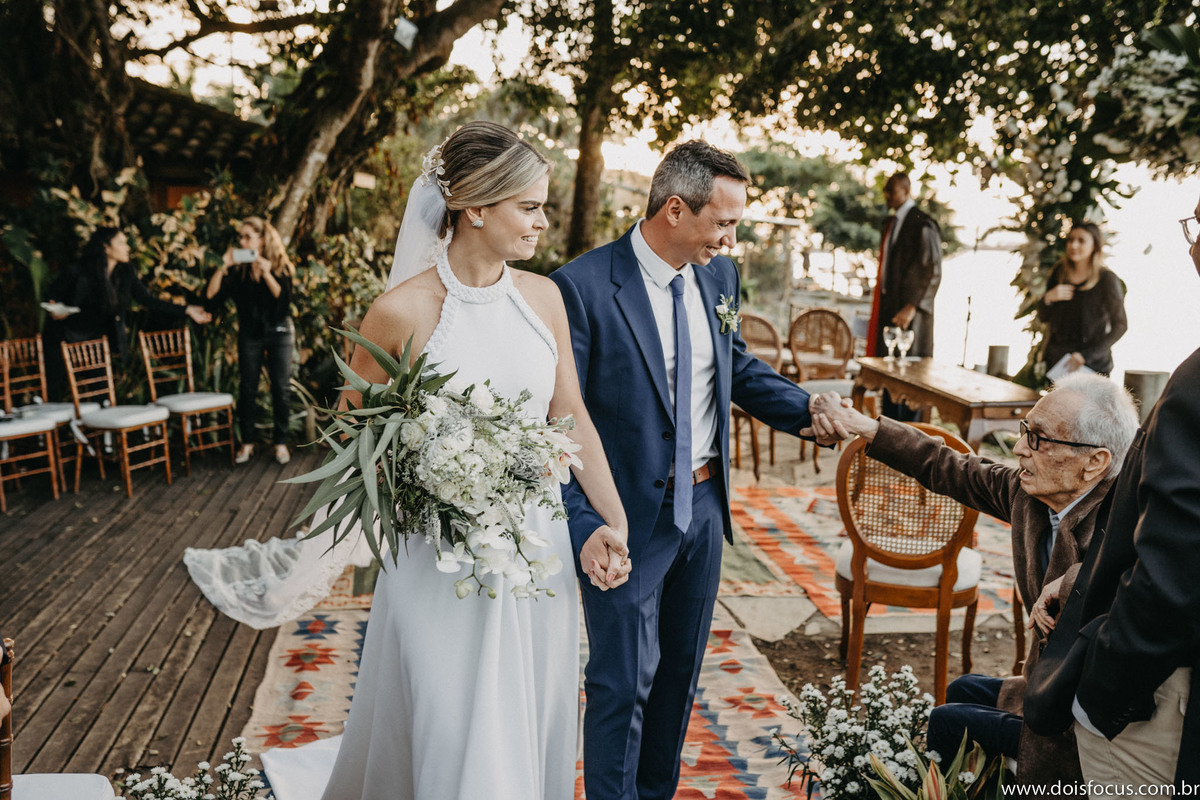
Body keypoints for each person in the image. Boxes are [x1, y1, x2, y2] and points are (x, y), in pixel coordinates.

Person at [257, 121, 632, 800]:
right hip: (438, 555)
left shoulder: (544, 298)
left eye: (543, 206)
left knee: (526, 712)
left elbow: (567, 416)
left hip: (535, 550)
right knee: (449, 720)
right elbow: (351, 439)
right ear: (475, 207)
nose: (543, 222)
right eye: (529, 206)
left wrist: (610, 520)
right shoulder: (402, 311)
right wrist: (434, 486)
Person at [550, 140, 828, 800]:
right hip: (625, 519)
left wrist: (808, 410)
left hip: (704, 512)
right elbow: (556, 428)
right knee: (622, 682)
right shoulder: (580, 289)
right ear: (674, 208)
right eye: (723, 223)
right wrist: (585, 523)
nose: (731, 240)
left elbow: (737, 370)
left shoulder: (718, 279)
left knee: (678, 676)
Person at [808, 373, 1138, 788]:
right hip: (1045, 688)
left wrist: (1072, 580)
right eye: (1025, 431)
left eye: (1039, 439)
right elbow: (951, 467)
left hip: (1086, 724)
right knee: (962, 687)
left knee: (946, 721)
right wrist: (868, 428)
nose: (1019, 449)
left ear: (1096, 462)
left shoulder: (1126, 524)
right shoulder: (1029, 496)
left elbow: (1137, 576)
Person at [1024, 193, 1200, 793]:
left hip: (1153, 696)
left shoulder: (1195, 383)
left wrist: (1100, 693)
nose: (1192, 241)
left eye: (1197, 221)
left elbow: (1174, 572)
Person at [43, 227, 211, 399]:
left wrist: (187, 310)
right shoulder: (78, 271)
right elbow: (52, 297)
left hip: (96, 343)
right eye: (121, 243)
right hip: (66, 337)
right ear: (105, 247)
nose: (127, 247)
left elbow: (148, 300)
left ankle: (100, 426)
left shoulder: (126, 272)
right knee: (54, 392)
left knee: (102, 395)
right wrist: (55, 309)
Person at [205, 218, 296, 465]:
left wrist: (267, 274)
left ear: (262, 239)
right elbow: (212, 299)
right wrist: (222, 265)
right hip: (251, 335)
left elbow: (285, 303)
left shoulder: (279, 266)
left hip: (279, 332)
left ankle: (280, 443)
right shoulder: (239, 271)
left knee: (280, 388)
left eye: (247, 237)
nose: (242, 242)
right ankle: (247, 443)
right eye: (241, 238)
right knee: (247, 389)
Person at [865, 172, 942, 421]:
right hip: (891, 310)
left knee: (910, 382)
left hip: (913, 316)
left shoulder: (923, 223)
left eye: (892, 191)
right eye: (886, 190)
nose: (887, 196)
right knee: (890, 378)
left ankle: (913, 445)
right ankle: (890, 437)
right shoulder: (890, 224)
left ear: (906, 191)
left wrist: (912, 307)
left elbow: (933, 271)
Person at [1036, 221, 1128, 379]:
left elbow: (1120, 325)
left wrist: (1086, 355)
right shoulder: (1059, 272)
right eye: (1070, 240)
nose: (1074, 245)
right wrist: (1049, 298)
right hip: (1059, 365)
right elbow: (1043, 317)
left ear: (1095, 245)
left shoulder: (1107, 279)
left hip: (1093, 366)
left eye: (1081, 240)